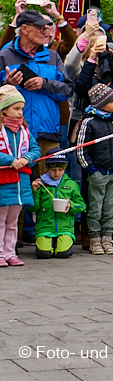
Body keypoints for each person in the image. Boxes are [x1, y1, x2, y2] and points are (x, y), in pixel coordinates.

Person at [0, 10, 73, 174]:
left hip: (47, 135)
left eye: (47, 28)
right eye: (40, 27)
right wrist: (7, 85)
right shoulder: (4, 56)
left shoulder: (53, 57)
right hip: (12, 136)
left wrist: (44, 83)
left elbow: (67, 90)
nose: (46, 31)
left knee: (47, 189)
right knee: (15, 190)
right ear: (24, 29)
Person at [75, 83, 113, 255]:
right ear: (100, 102)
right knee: (95, 206)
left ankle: (107, 237)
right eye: (111, 101)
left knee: (111, 206)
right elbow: (81, 148)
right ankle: (94, 238)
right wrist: (90, 169)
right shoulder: (89, 122)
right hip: (97, 172)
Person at [0, 86, 38, 266]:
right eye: (16, 108)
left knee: (13, 221)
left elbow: (35, 150)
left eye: (21, 109)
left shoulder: (25, 131)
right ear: (4, 109)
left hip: (20, 183)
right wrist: (10, 160)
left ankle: (10, 252)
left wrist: (26, 158)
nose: (20, 112)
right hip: (4, 181)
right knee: (0, 220)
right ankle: (0, 253)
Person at [31, 150, 84, 259]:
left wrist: (71, 205)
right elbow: (33, 208)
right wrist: (35, 192)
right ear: (47, 169)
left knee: (63, 254)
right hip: (45, 226)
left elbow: (82, 206)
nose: (56, 173)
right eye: (53, 170)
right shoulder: (41, 184)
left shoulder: (71, 184)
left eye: (60, 170)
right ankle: (50, 243)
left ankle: (60, 242)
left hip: (65, 227)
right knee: (43, 254)